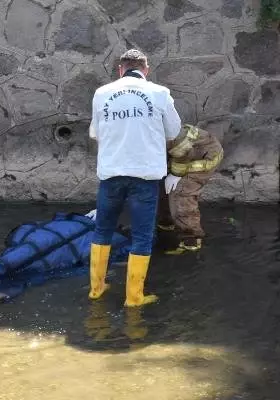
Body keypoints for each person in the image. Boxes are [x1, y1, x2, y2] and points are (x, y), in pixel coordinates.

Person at [87, 49, 181, 307]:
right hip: (145, 175)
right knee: (141, 235)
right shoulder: (160, 93)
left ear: (120, 69)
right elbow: (174, 130)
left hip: (111, 174)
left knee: (102, 229)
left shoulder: (101, 93)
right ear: (146, 70)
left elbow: (95, 133)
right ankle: (134, 297)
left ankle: (96, 289)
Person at [157, 124, 224, 254]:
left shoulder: (170, 134)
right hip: (181, 155)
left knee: (181, 192)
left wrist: (176, 174)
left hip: (203, 157)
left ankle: (191, 239)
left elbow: (181, 149)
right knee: (163, 186)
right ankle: (167, 222)